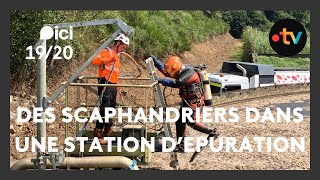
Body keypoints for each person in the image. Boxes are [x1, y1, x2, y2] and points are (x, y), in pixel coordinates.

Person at [149, 55, 218, 152]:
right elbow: (167, 72)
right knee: (180, 122)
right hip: (186, 101)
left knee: (191, 122)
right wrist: (156, 62)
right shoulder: (180, 70)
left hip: (194, 102)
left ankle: (212, 132)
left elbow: (177, 83)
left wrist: (161, 81)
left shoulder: (190, 73)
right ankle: (182, 146)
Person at [91, 33, 130, 145]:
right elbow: (95, 61)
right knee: (104, 108)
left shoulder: (117, 56)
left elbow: (115, 73)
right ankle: (99, 132)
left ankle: (108, 130)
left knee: (111, 108)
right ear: (118, 43)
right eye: (123, 47)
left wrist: (117, 86)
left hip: (113, 85)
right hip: (104, 83)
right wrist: (111, 58)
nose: (124, 49)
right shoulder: (107, 51)